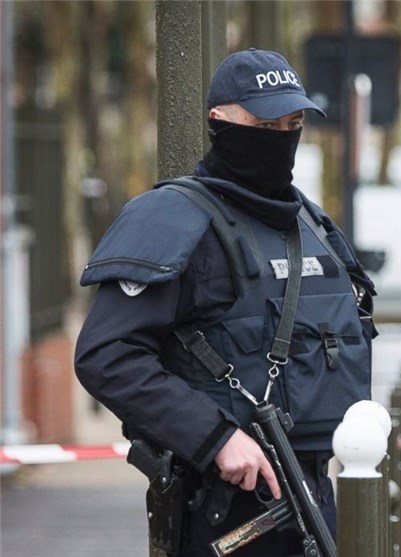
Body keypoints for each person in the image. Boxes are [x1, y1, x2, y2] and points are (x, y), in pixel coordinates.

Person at [74, 48, 377, 556]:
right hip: (223, 511)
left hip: (314, 497)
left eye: (293, 123)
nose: (282, 138)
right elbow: (107, 356)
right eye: (265, 123)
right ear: (219, 120)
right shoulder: (172, 221)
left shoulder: (312, 224)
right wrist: (214, 439)